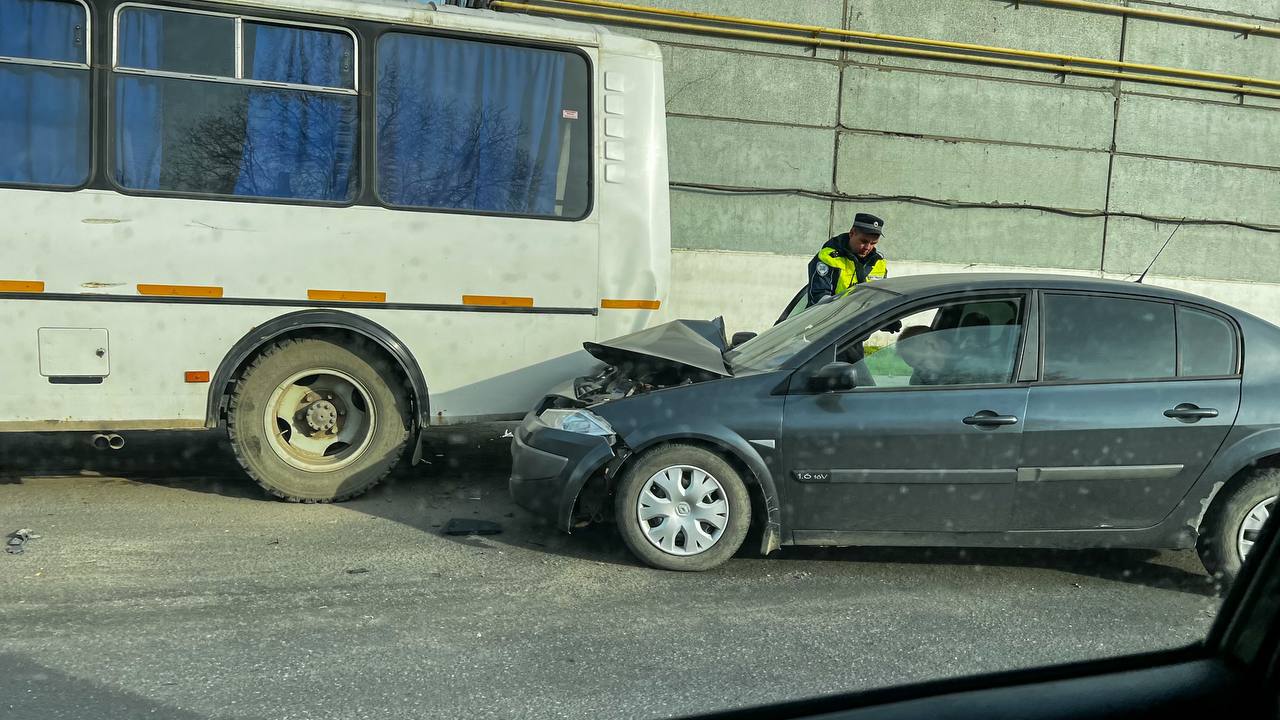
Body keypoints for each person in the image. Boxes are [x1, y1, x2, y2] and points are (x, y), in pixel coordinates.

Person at [805, 213, 889, 306]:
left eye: (873, 243)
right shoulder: (828, 257)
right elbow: (819, 297)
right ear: (852, 233)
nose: (868, 247)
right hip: (832, 319)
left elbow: (882, 300)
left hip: (867, 319)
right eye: (863, 241)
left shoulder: (879, 263)